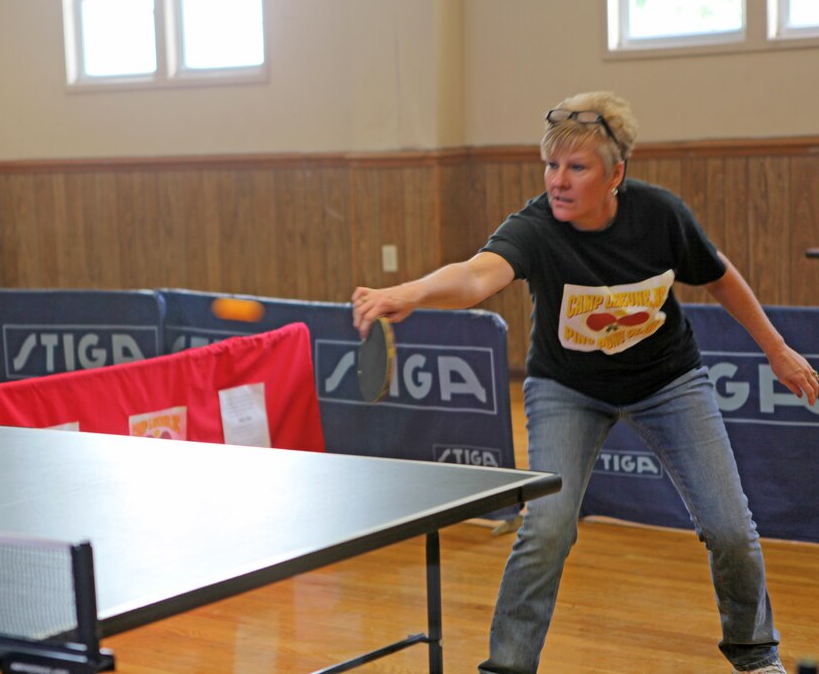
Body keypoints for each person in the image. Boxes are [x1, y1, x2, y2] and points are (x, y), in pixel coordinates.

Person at [351, 90, 818, 674]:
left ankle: (756, 656)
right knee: (545, 528)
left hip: (667, 380)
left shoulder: (660, 216)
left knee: (730, 529)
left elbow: (720, 276)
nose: (558, 181)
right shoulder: (537, 228)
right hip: (567, 388)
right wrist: (409, 293)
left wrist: (776, 349)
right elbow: (474, 277)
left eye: (577, 168)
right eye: (551, 165)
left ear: (615, 173)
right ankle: (508, 667)